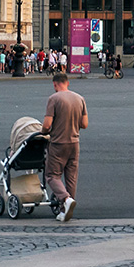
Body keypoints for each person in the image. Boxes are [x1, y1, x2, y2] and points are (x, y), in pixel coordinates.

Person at [42, 72, 87, 222]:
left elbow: (47, 125)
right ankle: (64, 210)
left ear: (55, 84)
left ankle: (66, 200)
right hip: (74, 143)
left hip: (58, 143)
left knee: (52, 175)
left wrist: (43, 132)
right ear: (68, 83)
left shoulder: (53, 99)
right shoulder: (80, 98)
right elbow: (84, 124)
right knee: (71, 177)